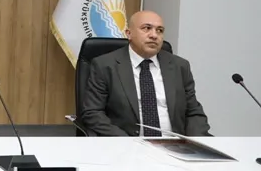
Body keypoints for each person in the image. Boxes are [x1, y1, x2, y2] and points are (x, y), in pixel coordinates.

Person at [79, 10, 211, 137]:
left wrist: (196, 142)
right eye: (147, 28)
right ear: (129, 34)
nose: (154, 35)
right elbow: (93, 112)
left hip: (174, 143)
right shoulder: (105, 65)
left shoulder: (180, 66)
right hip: (127, 144)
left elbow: (194, 112)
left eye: (159, 30)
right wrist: (126, 142)